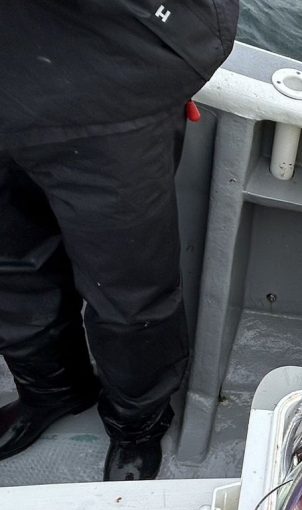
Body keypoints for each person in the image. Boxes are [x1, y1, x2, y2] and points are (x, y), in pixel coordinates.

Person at [0, 1, 239, 480]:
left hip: (109, 84)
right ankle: (50, 390)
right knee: (10, 266)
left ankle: (137, 426)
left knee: (129, 295)